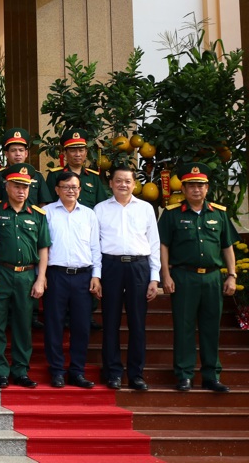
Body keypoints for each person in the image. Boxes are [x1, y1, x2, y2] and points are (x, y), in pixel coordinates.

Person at [159, 162, 237, 393]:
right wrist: (165, 275)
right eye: (191, 185)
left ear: (207, 188)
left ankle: (211, 375)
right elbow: (163, 246)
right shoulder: (172, 215)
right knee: (183, 327)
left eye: (200, 185)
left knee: (211, 327)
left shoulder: (219, 214)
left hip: (212, 278)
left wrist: (231, 275)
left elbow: (227, 247)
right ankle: (184, 374)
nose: (196, 190)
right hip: (183, 277)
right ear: (183, 189)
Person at [95, 166, 160, 391]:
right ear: (111, 183)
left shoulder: (145, 208)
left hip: (138, 267)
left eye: (128, 181)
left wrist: (154, 277)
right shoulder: (100, 209)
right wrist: (97, 275)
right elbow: (95, 245)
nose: (123, 185)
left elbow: (154, 243)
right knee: (110, 321)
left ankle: (136, 374)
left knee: (137, 323)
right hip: (110, 266)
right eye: (118, 181)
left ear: (134, 184)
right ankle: (113, 372)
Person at [0, 163, 49, 388]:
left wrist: (41, 278)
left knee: (23, 325)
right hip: (2, 272)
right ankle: (1, 370)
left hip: (27, 276)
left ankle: (21, 370)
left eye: (26, 186)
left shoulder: (38, 215)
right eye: (17, 185)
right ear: (7, 186)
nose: (22, 190)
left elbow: (43, 248)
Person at [43, 171, 101, 389]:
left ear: (80, 190)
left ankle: (77, 371)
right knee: (54, 324)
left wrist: (97, 275)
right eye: (65, 187)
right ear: (57, 189)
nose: (70, 191)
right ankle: (56, 370)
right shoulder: (47, 212)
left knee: (81, 326)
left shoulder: (89, 214)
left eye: (74, 187)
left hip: (83, 276)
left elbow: (96, 247)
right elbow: (44, 247)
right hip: (56, 275)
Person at [0, 129, 52, 207]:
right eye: (13, 151)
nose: (18, 154)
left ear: (26, 153)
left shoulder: (37, 176)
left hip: (32, 217)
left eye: (21, 150)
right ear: (6, 154)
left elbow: (43, 204)